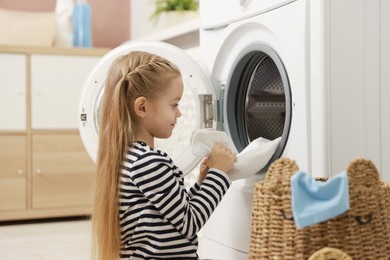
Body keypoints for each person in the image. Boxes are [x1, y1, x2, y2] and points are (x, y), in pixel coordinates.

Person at [92, 51, 236, 260]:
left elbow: (174, 212)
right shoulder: (148, 162)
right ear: (142, 107)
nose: (179, 113)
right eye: (174, 104)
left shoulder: (132, 158)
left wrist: (203, 182)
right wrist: (219, 174)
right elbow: (189, 223)